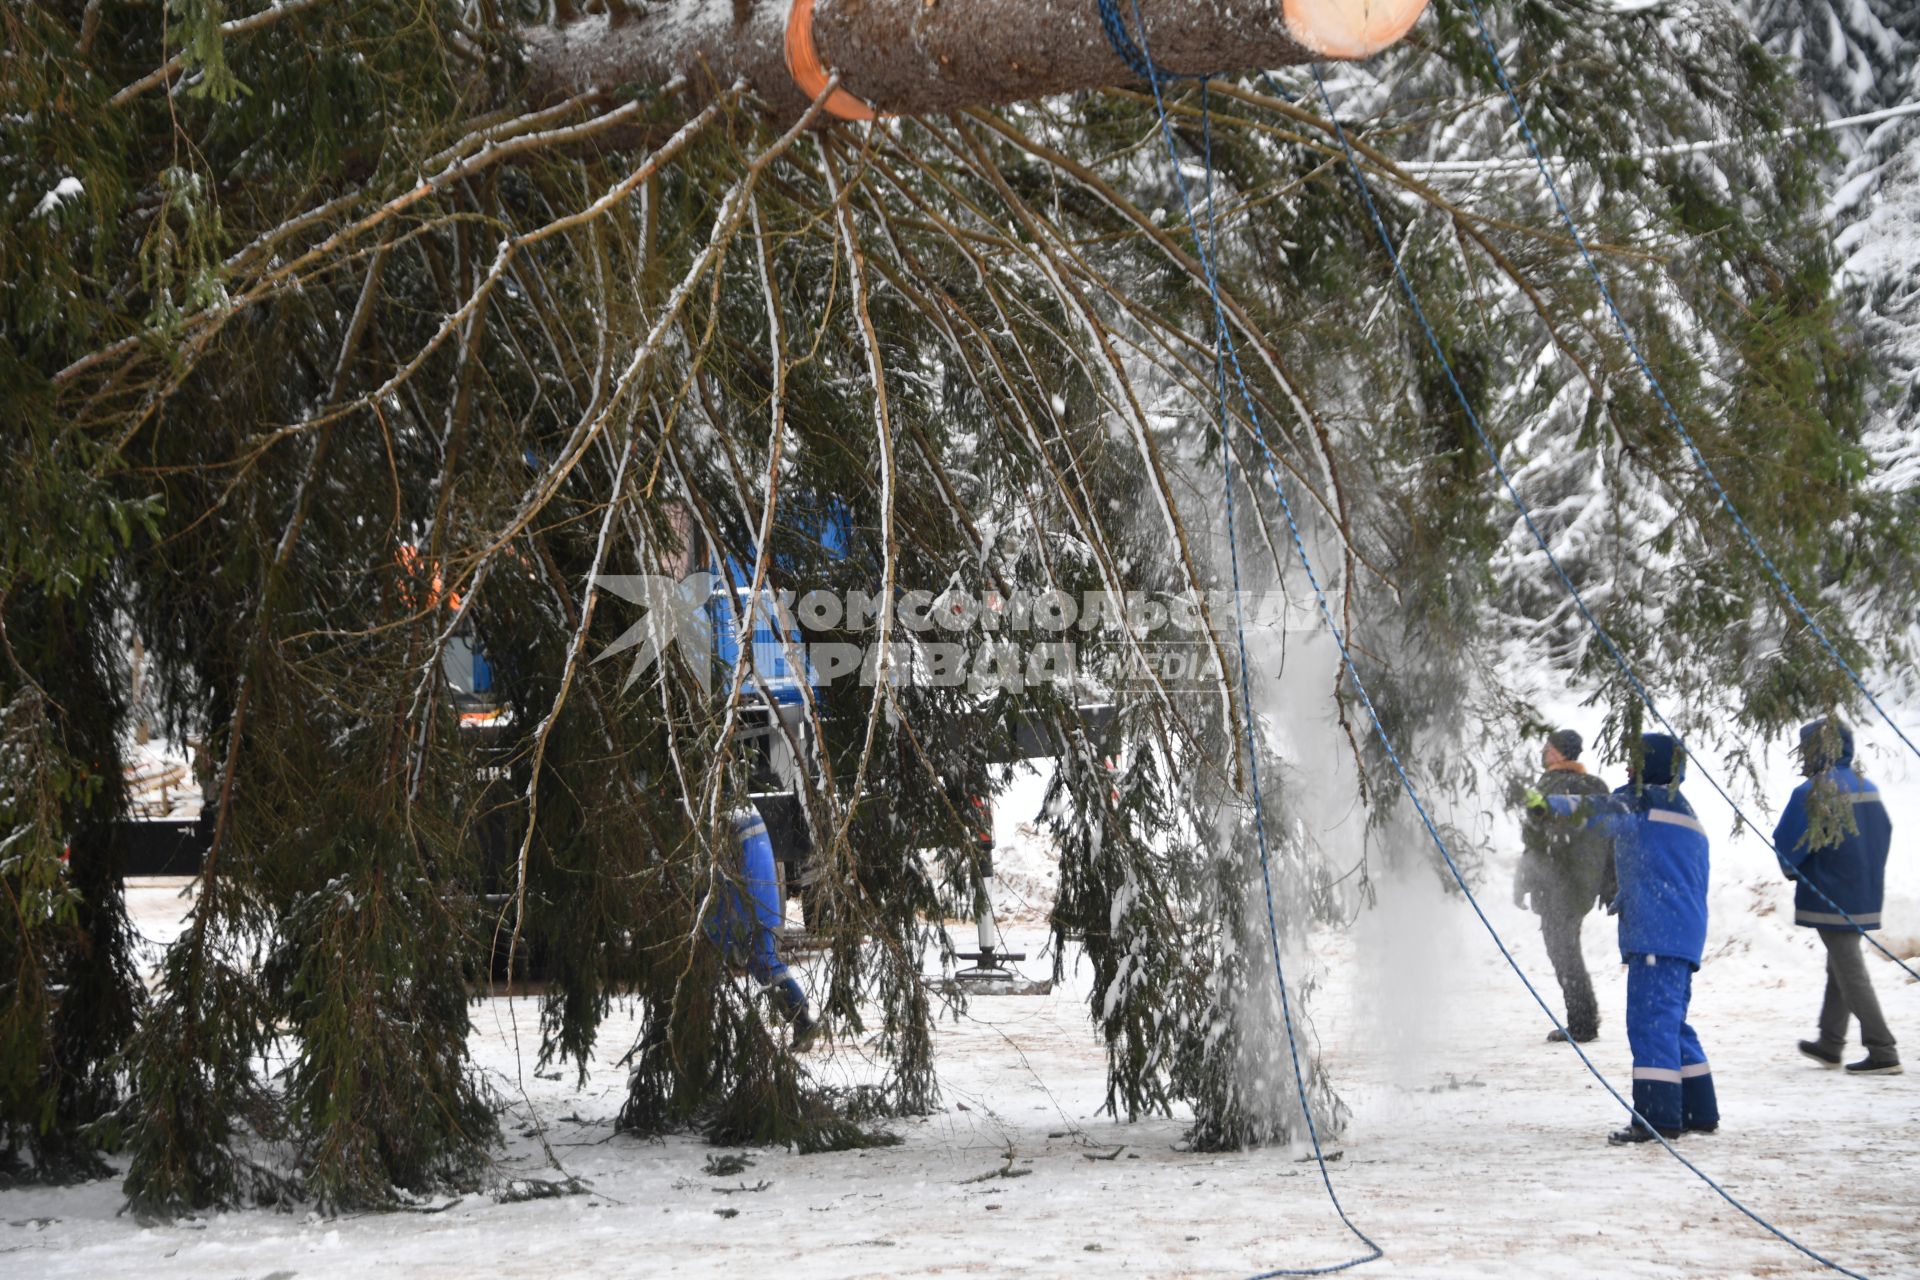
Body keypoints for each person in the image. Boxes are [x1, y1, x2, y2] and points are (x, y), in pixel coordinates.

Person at [1540, 733, 1717, 1144]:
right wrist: (1627, 893)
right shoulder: (1683, 810)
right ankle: (1698, 1109)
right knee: (1672, 1023)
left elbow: (1599, 813)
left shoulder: (1643, 801)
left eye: (1634, 763)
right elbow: (1668, 868)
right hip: (1681, 933)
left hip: (1656, 934)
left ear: (1649, 767)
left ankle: (1657, 1118)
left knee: (1650, 1023)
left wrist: (1547, 804)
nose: (1627, 770)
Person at [1772, 718, 1899, 1076]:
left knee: (1850, 970)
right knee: (1840, 965)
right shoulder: (1867, 786)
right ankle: (1830, 1043)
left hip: (1829, 895)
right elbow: (1882, 833)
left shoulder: (1812, 792)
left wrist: (1794, 871)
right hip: (1863, 892)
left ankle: (1883, 1049)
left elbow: (1789, 844)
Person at [1516, 728, 1614, 1043]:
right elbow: (1609, 833)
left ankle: (1583, 1022)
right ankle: (1584, 1018)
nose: (1545, 751)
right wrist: (1608, 881)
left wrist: (1523, 880)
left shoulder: (1548, 786)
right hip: (1584, 883)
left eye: (1549, 747)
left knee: (1563, 952)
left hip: (1556, 883)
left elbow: (1533, 839)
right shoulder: (1596, 786)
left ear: (1559, 753)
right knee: (1566, 949)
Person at [705, 804, 820, 1050]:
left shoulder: (717, 812)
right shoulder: (738, 807)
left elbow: (716, 873)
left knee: (745, 958)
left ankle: (801, 1018)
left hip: (749, 897)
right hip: (759, 892)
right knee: (764, 961)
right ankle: (802, 1018)